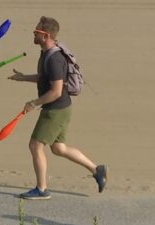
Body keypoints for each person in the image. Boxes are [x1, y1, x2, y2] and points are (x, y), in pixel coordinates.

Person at [8, 16, 107, 200]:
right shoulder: (46, 54)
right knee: (59, 148)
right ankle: (97, 169)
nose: (34, 34)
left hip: (56, 109)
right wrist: (23, 77)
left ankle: (42, 189)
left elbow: (56, 91)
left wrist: (33, 103)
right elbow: (45, 78)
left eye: (36, 32)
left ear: (45, 36)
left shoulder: (55, 59)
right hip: (62, 108)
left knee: (35, 145)